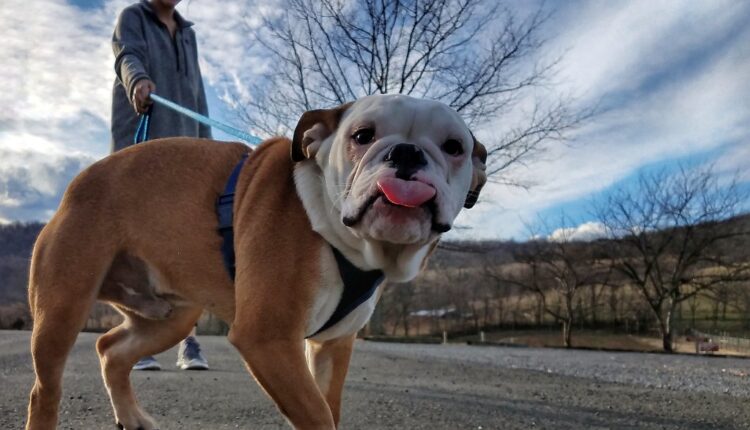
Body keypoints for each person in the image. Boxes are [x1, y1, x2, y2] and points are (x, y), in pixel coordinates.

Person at [111, 0, 211, 370]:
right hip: (143, 151)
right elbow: (127, 56)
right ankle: (139, 339)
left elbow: (198, 94)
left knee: (189, 248)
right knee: (140, 247)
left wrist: (210, 152)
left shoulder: (188, 34)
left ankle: (189, 341)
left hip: (186, 155)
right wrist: (136, 80)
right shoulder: (132, 17)